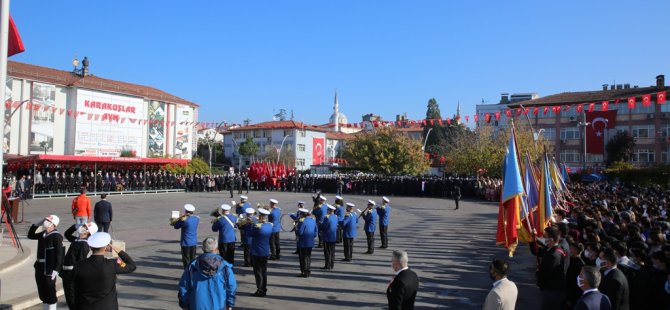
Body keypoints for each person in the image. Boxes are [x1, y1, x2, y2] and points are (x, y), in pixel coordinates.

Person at [73, 232, 136, 309]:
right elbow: (132, 266)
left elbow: (74, 289)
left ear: (90, 247)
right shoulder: (112, 264)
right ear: (106, 248)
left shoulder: (79, 265)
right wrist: (119, 251)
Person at [178, 237, 237, 310]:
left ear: (203, 249)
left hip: (196, 305)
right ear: (216, 250)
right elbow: (231, 287)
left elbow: (184, 286)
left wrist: (185, 304)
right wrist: (230, 304)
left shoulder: (192, 266)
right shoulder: (225, 267)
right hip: (219, 305)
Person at [27, 215, 63, 310]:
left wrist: (56, 269)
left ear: (53, 224)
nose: (45, 222)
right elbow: (30, 235)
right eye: (45, 220)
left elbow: (59, 254)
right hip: (39, 265)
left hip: (49, 267)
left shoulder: (57, 236)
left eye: (48, 221)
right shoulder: (43, 234)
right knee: (42, 291)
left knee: (50, 291)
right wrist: (35, 225)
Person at [61, 222, 98, 309]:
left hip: (72, 274)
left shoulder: (84, 244)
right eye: (83, 226)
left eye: (85, 227)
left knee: (72, 299)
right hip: (66, 273)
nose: (82, 227)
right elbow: (67, 234)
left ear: (89, 232)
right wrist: (74, 226)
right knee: (69, 298)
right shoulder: (77, 240)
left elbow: (80, 262)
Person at [536, 226, 568, 310]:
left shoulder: (552, 255)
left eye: (545, 236)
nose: (543, 238)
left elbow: (545, 274)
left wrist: (538, 272)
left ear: (552, 239)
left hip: (552, 291)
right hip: (555, 290)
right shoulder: (557, 249)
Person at [250, 208, 273, 297]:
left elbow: (249, 233)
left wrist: (250, 224)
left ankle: (260, 290)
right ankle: (263, 288)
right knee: (263, 271)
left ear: (260, 216)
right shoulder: (269, 226)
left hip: (257, 251)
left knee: (258, 272)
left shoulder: (257, 227)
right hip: (265, 251)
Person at [173, 204, 200, 269]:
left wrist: (179, 218)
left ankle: (187, 273)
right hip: (193, 241)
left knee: (186, 259)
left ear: (186, 211)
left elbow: (176, 226)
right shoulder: (196, 218)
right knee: (192, 258)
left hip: (186, 242)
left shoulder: (185, 220)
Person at [296, 207, 318, 277]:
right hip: (310, 242)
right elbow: (316, 232)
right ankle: (308, 271)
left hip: (302, 243)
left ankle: (304, 272)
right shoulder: (313, 220)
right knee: (308, 257)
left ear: (302, 214)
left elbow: (300, 232)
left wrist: (296, 228)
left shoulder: (302, 222)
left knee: (303, 258)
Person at [322, 204, 338, 270]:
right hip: (333, 237)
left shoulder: (327, 218)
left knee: (327, 252)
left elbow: (324, 227)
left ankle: (327, 265)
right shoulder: (335, 216)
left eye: (327, 210)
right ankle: (331, 264)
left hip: (327, 237)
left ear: (329, 211)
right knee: (332, 252)